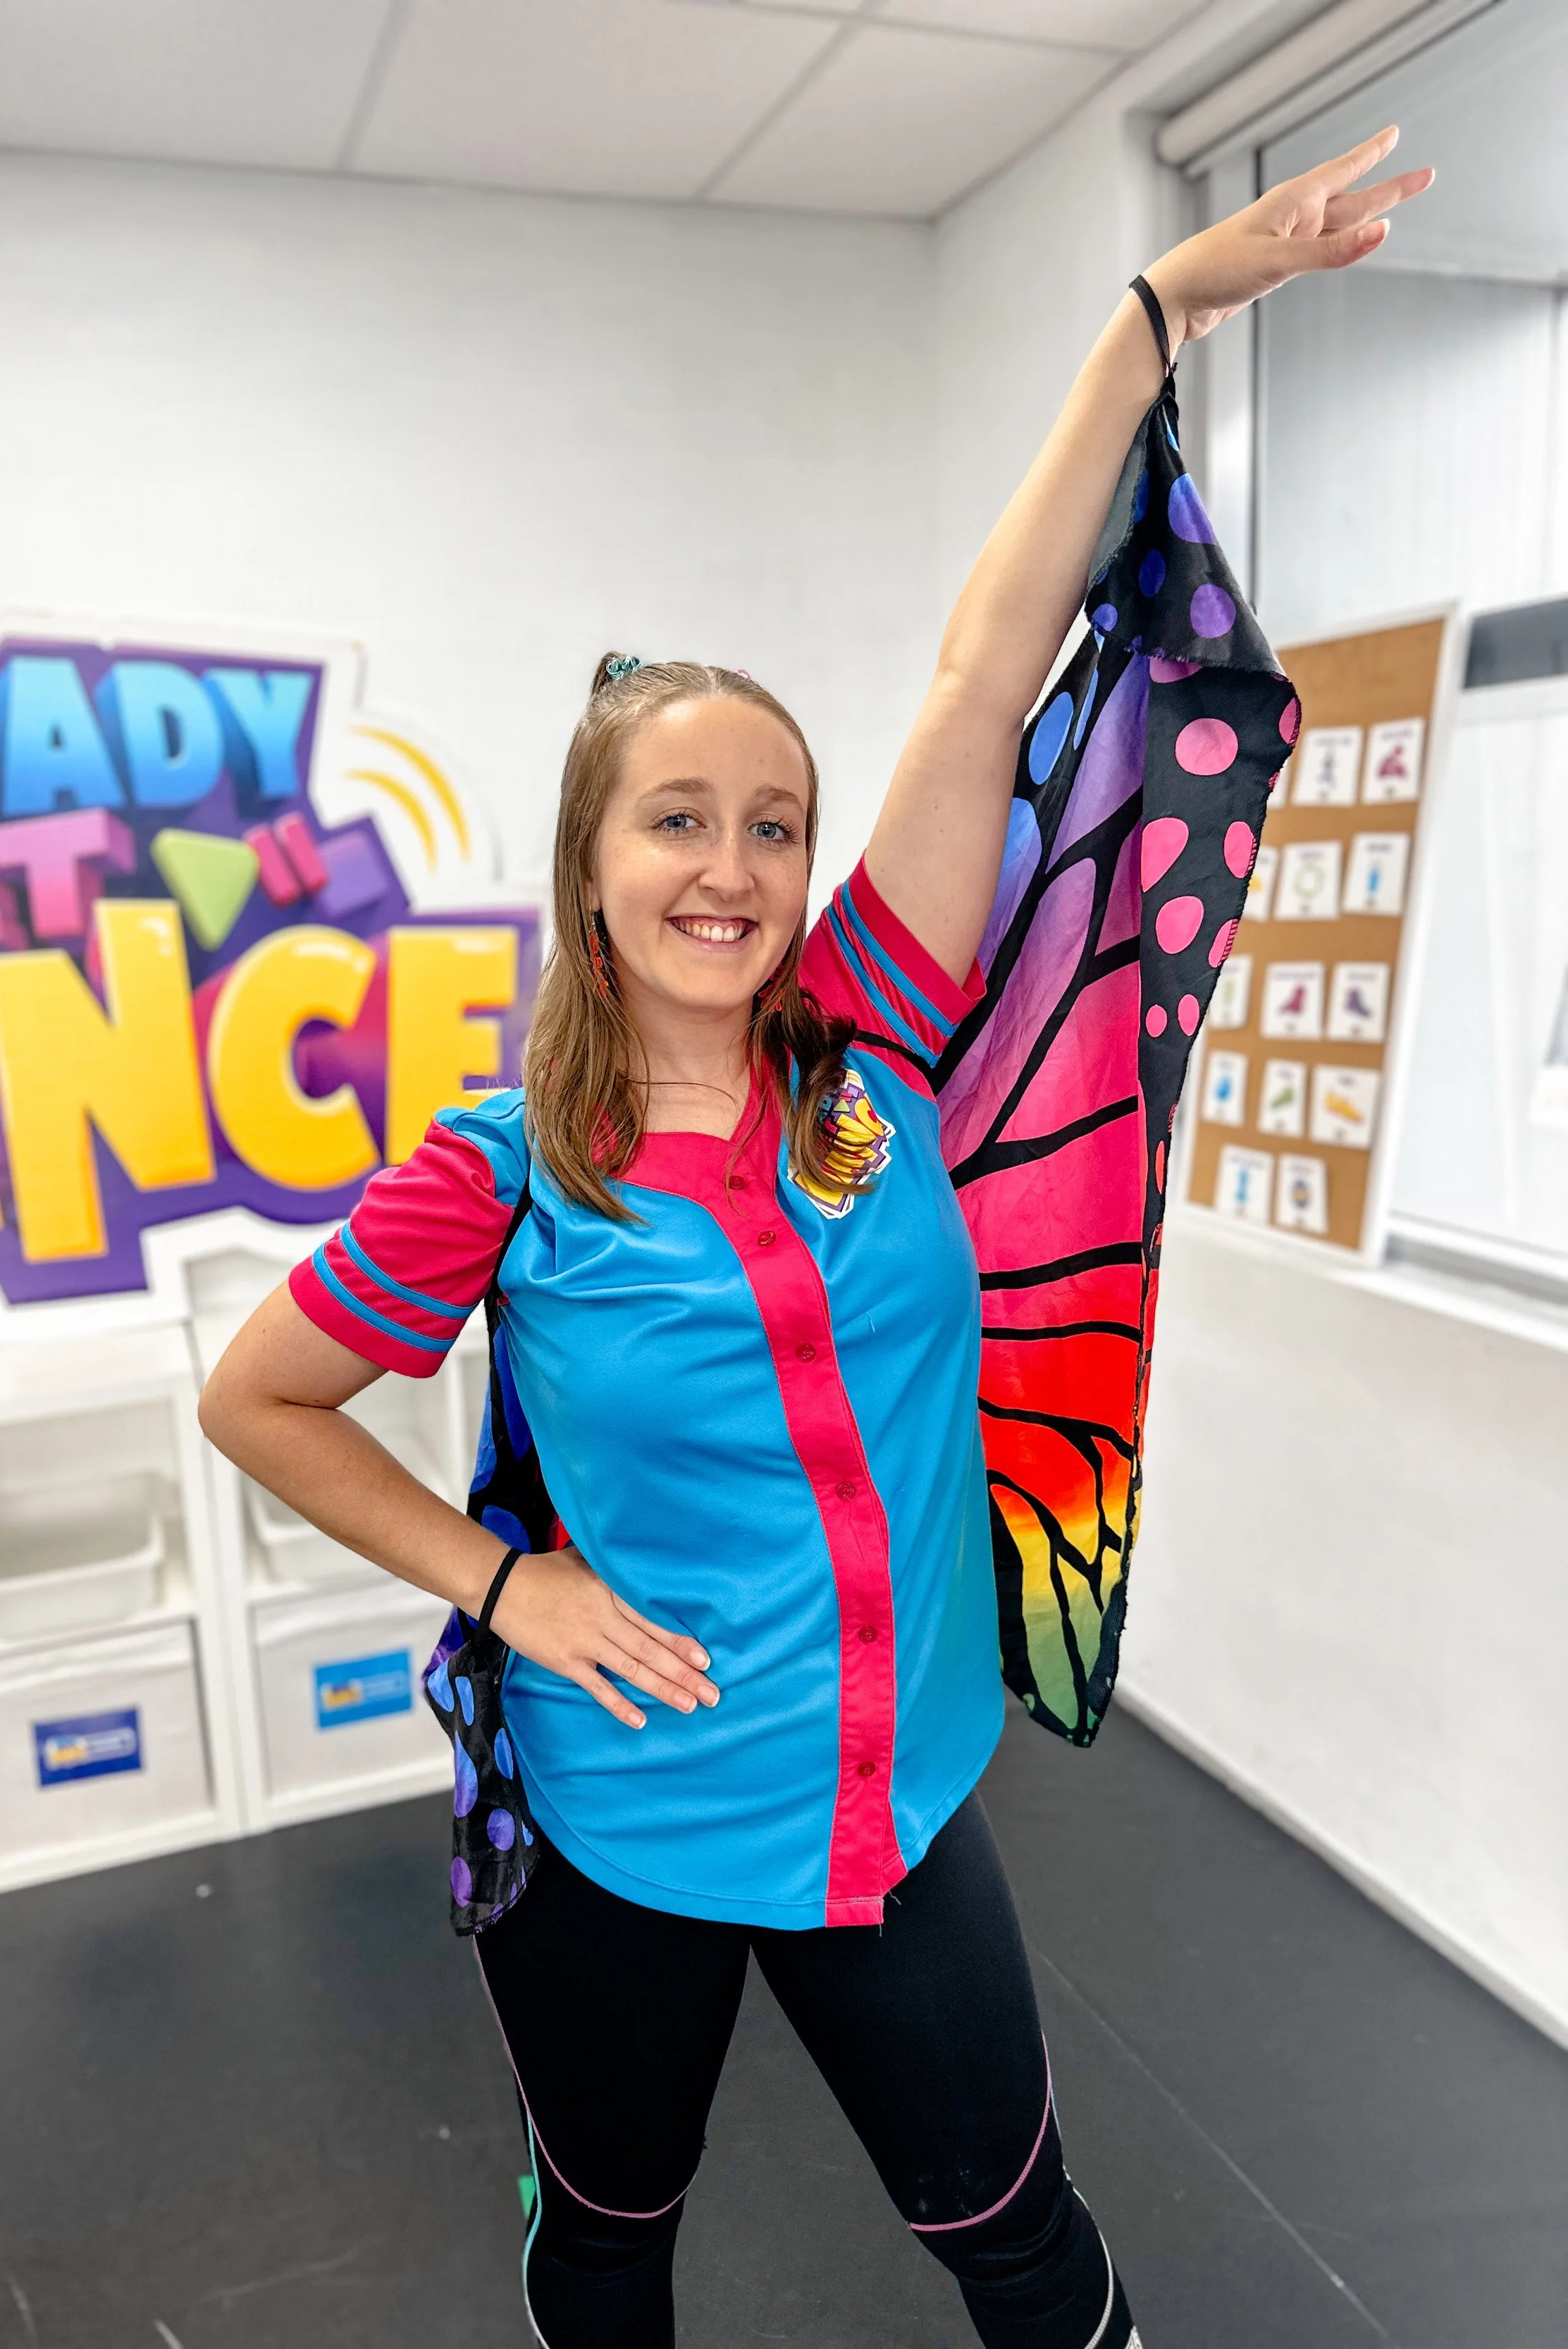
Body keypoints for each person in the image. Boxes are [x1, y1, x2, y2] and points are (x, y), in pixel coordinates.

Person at [199, 131, 1429, 2349]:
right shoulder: (506, 1164)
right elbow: (259, 1395)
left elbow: (978, 678)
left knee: (1024, 2244)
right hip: (623, 1820)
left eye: (772, 822)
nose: (733, 865)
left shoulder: (867, 1044)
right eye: (678, 818)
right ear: (591, 870)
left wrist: (1155, 313)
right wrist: (505, 1584)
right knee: (611, 2240)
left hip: (895, 1796)